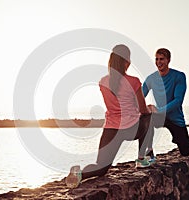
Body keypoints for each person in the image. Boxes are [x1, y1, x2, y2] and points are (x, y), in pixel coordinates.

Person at [65, 44, 152, 188]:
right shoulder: (134, 81)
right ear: (126, 62)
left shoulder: (103, 82)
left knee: (101, 168)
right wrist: (147, 110)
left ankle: (80, 174)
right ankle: (142, 159)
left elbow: (116, 104)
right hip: (131, 129)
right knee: (149, 116)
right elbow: (142, 110)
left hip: (110, 129)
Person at [138, 48, 189, 162]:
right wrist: (142, 108)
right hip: (160, 116)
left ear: (168, 60)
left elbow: (178, 100)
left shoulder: (179, 76)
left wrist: (159, 110)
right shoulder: (151, 78)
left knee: (185, 151)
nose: (159, 62)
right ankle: (149, 152)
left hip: (175, 118)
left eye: (162, 59)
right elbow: (139, 97)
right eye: (156, 59)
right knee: (146, 118)